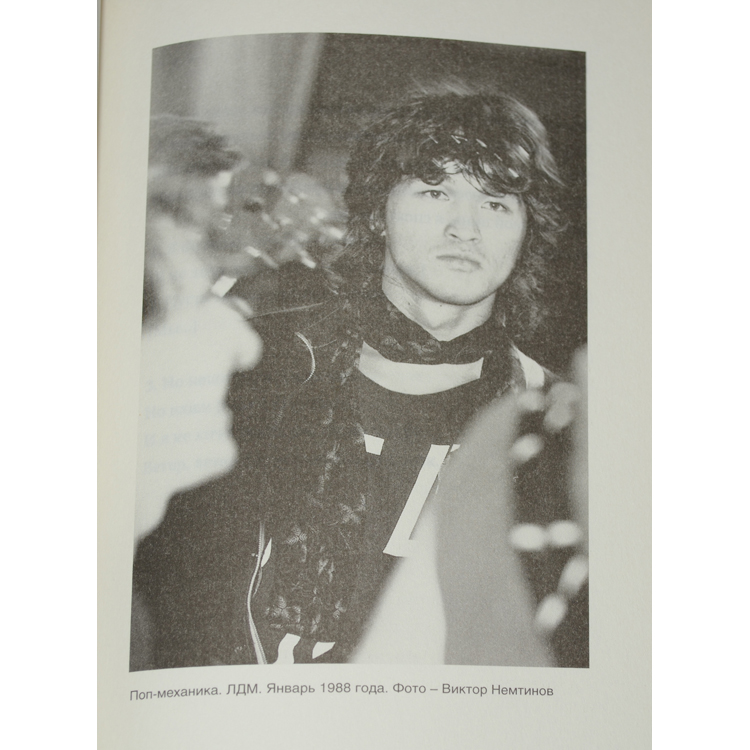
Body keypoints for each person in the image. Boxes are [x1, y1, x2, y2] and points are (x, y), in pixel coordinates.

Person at [132, 86, 588, 669]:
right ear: (378, 209)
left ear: (527, 230)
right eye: (435, 191)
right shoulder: (245, 367)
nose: (465, 228)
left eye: (497, 203)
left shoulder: (551, 425)